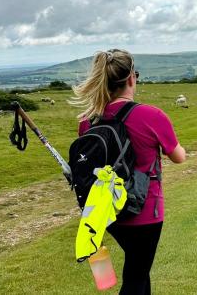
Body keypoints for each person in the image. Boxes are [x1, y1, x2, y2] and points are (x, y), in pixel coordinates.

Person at [71, 49, 186, 295]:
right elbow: (178, 157)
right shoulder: (151, 115)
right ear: (131, 78)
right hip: (144, 210)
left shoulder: (87, 121)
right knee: (135, 276)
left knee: (140, 271)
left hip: (109, 213)